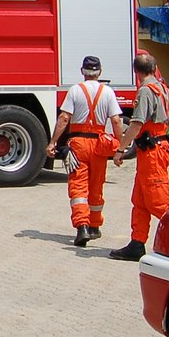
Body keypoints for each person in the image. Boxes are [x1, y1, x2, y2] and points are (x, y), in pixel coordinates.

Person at [46, 55, 125, 248]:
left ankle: (82, 226)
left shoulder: (75, 90)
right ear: (100, 72)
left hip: (78, 144)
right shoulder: (108, 92)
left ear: (82, 71)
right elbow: (116, 121)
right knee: (97, 185)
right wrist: (120, 147)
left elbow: (64, 118)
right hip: (99, 144)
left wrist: (53, 142)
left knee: (78, 187)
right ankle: (95, 227)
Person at [108, 52, 169, 261]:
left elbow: (136, 124)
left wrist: (121, 148)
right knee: (140, 200)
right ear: (154, 69)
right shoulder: (163, 89)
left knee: (158, 203)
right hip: (157, 148)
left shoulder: (146, 91)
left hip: (152, 151)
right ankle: (137, 243)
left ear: (135, 71)